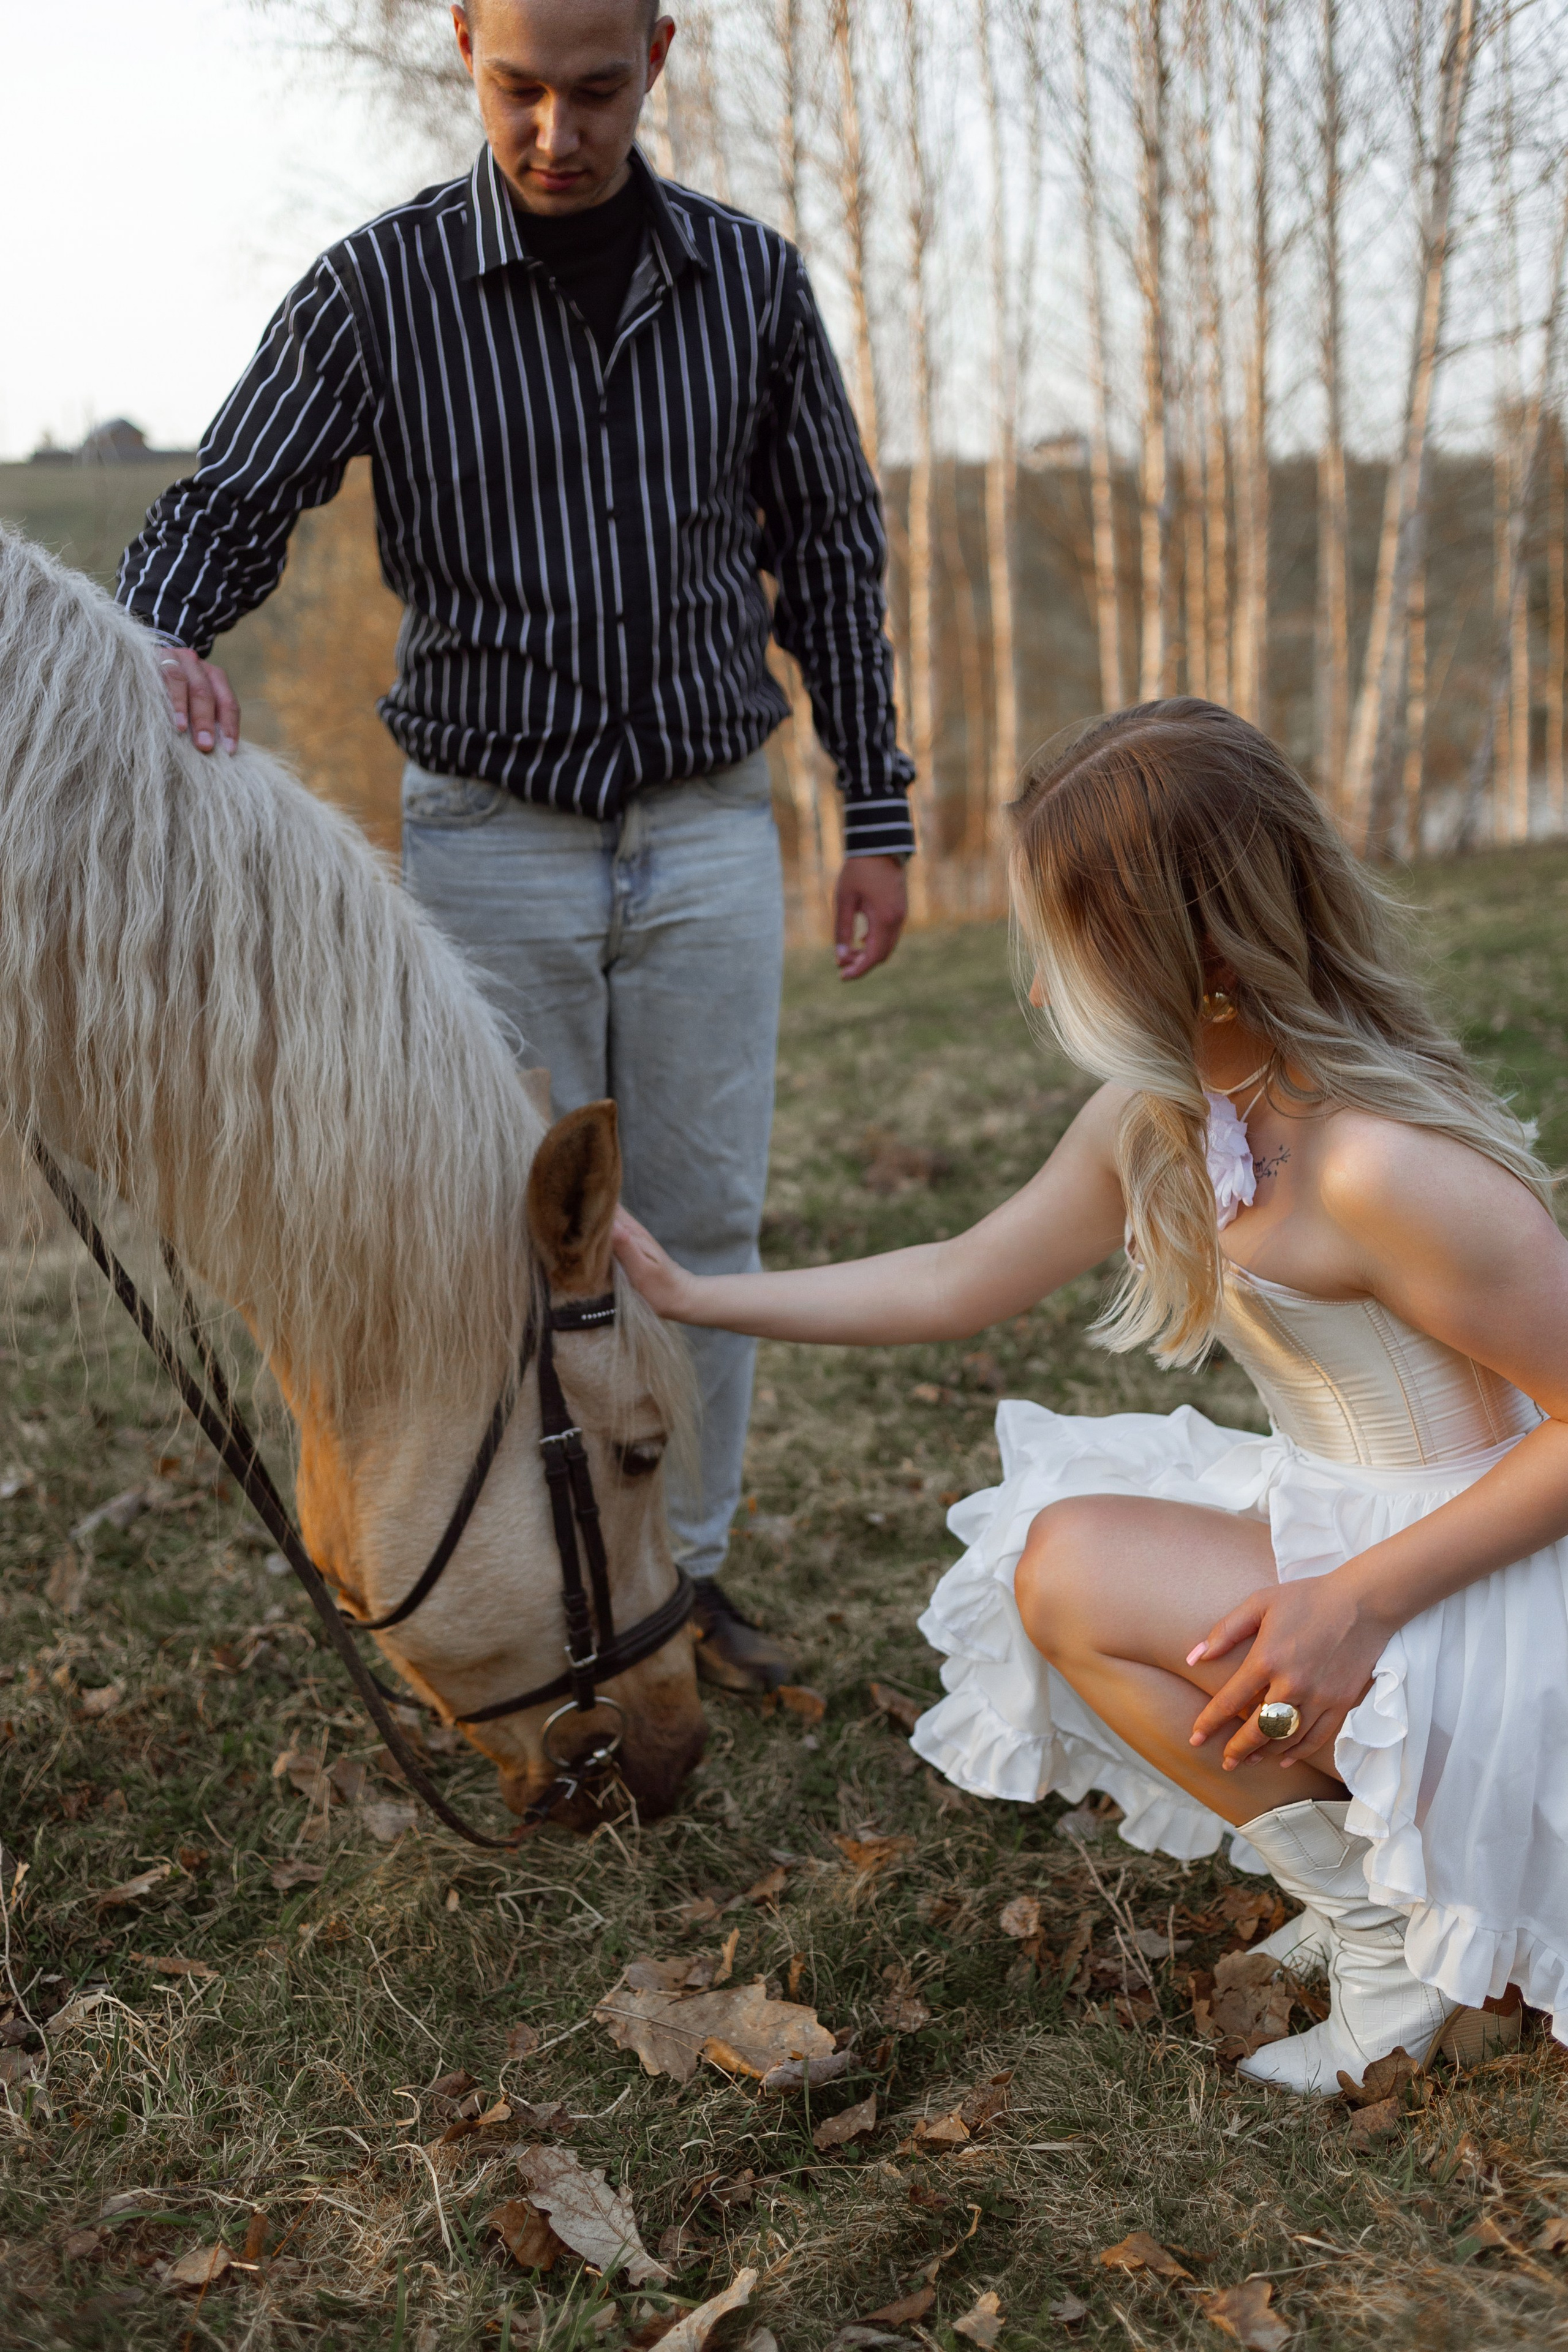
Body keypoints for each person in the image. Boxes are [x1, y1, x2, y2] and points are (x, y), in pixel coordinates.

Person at [115, 0, 915, 1695]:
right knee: (507, 1248)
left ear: (660, 56)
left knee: (702, 1222)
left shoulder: (751, 284)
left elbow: (832, 552)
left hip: (708, 825)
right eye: (520, 89)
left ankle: (680, 1584)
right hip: (489, 839)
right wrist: (160, 634)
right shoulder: (376, 287)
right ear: (465, 46)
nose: (558, 131)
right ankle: (532, 1580)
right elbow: (232, 497)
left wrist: (878, 807)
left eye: (598, 90)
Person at [612, 696, 1568, 2092]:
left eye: (1070, 952)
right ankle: (1367, 1887)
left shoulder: (1378, 1165)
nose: (1039, 992)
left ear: (1197, 954)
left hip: (1483, 1583)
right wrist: (697, 1296)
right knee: (1048, 1558)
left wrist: (1355, 1602)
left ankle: (1392, 1942)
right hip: (1347, 1528)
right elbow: (956, 1277)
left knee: (1071, 1562)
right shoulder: (1161, 1115)